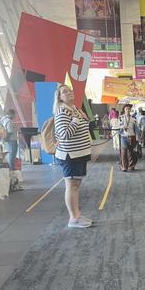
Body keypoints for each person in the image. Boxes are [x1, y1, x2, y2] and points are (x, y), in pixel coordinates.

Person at [53, 84, 93, 228]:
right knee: (71, 186)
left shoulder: (74, 109)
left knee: (76, 185)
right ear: (59, 97)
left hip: (79, 153)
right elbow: (64, 135)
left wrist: (83, 119)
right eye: (65, 91)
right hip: (70, 155)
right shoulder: (62, 111)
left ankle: (76, 214)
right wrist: (76, 120)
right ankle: (73, 218)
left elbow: (81, 129)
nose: (69, 92)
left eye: (70, 90)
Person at [118, 104, 138, 172]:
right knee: (123, 153)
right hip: (124, 137)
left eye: (129, 109)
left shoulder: (134, 119)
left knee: (131, 152)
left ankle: (131, 166)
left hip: (132, 137)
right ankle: (124, 167)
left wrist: (137, 138)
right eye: (126, 109)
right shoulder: (121, 118)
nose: (127, 110)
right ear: (124, 110)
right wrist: (122, 127)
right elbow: (118, 127)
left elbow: (136, 129)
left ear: (130, 110)